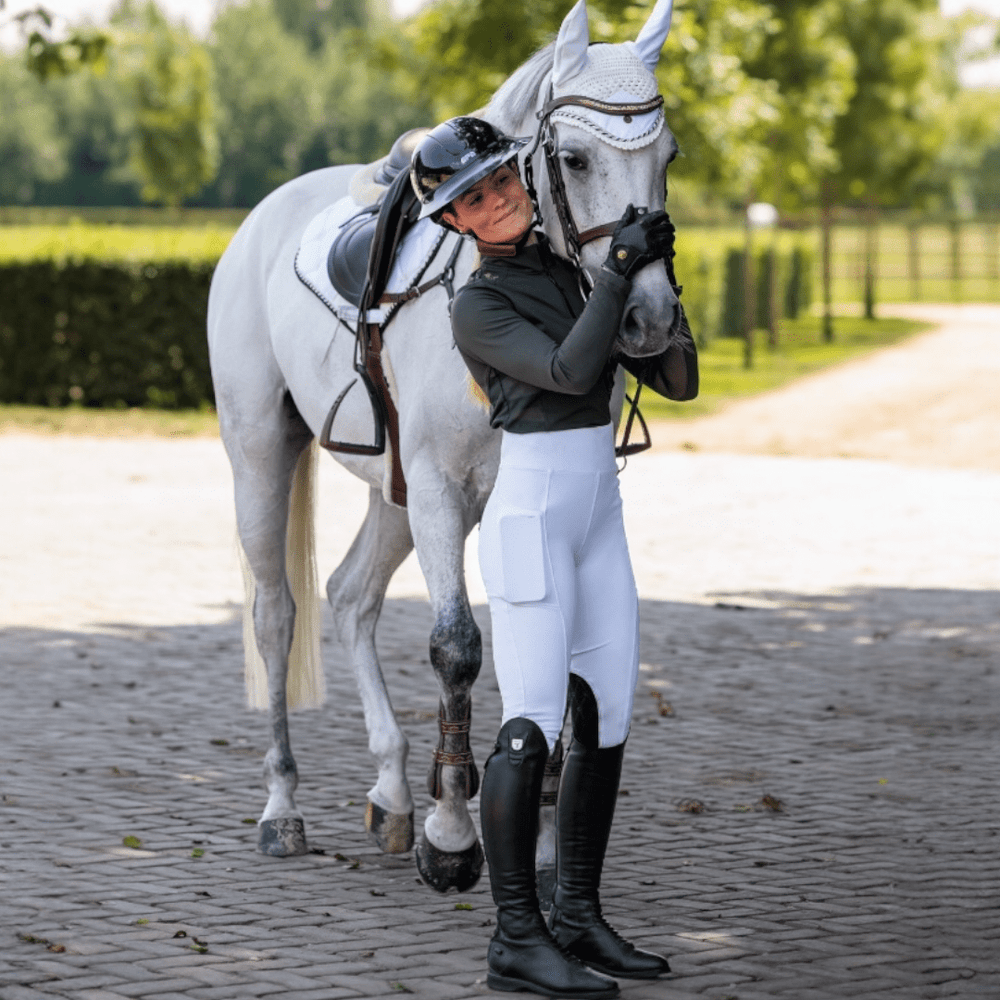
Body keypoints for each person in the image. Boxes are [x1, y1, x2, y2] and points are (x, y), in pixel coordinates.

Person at [410, 116, 698, 1000]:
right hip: (532, 515)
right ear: (456, 222)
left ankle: (578, 914)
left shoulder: (575, 271)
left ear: (523, 179)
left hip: (599, 517)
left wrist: (654, 279)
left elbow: (678, 379)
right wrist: (616, 275)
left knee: (606, 718)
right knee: (530, 724)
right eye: (473, 199)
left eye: (501, 182)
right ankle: (515, 938)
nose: (496, 202)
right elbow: (573, 374)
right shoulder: (477, 303)